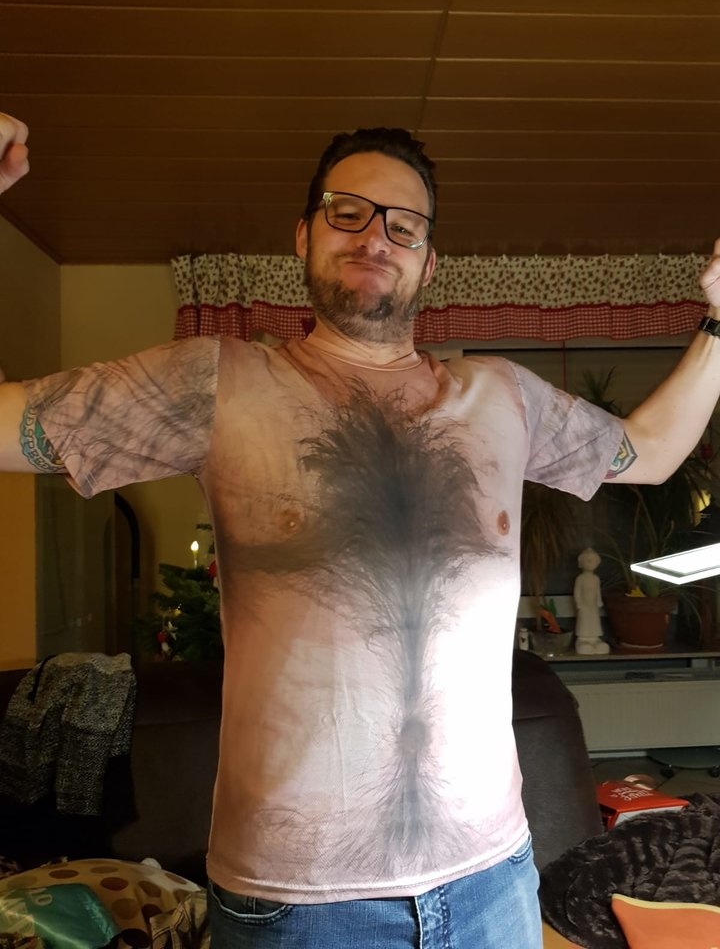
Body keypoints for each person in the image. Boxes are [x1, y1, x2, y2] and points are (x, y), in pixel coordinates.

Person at [1, 110, 720, 949]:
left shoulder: (504, 398)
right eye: (348, 212)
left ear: (429, 260)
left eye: (404, 225)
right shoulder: (216, 383)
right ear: (304, 236)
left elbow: (650, 452)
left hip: (492, 886)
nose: (376, 236)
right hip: (300, 904)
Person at [573, 547, 609, 654]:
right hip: (584, 606)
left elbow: (597, 591)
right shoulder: (580, 578)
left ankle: (595, 640)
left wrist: (599, 601)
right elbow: (577, 592)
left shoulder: (596, 578)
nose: (590, 563)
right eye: (588, 560)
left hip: (593, 606)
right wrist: (578, 603)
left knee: (594, 621)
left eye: (593, 561)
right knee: (584, 622)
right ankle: (583, 640)